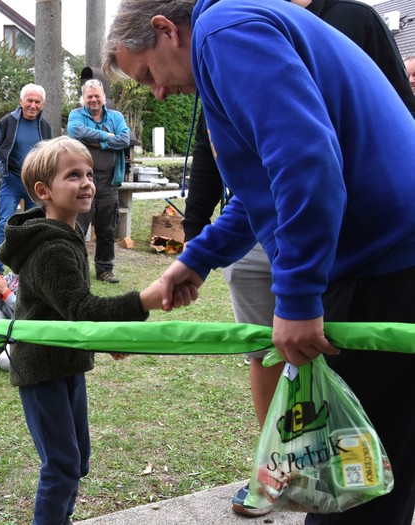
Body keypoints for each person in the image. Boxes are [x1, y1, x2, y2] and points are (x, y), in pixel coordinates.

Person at [103, 1, 415, 524]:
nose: (157, 92)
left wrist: (297, 300)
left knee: (353, 489)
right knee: (369, 479)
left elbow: (305, 164)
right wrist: (197, 260)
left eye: (148, 74)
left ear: (165, 30)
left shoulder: (224, 32)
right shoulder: (233, 34)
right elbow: (264, 189)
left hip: (385, 264)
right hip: (386, 257)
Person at [0, 135, 165, 525]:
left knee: (77, 460)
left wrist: (106, 338)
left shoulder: (66, 235)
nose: (87, 182)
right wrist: (144, 300)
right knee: (62, 465)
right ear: (44, 191)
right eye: (73, 175)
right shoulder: (50, 249)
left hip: (68, 360)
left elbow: (69, 310)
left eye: (89, 173)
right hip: (42, 369)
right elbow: (83, 308)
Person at [0, 83, 52, 286]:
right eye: (29, 100)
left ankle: (28, 272)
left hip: (35, 184)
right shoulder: (8, 122)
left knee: (34, 226)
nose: (33, 105)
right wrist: (3, 171)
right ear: (21, 101)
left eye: (37, 102)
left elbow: (50, 155)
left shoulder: (45, 127)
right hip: (11, 180)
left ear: (42, 104)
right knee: (3, 224)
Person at [67, 78, 131, 284]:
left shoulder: (116, 116)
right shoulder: (76, 115)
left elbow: (124, 139)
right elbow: (76, 132)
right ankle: (74, 269)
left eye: (97, 96)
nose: (93, 100)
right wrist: (107, 136)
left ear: (103, 97)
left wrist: (98, 143)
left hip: (109, 182)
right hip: (82, 183)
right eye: (89, 96)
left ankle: (105, 270)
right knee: (77, 227)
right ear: (83, 98)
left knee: (107, 229)